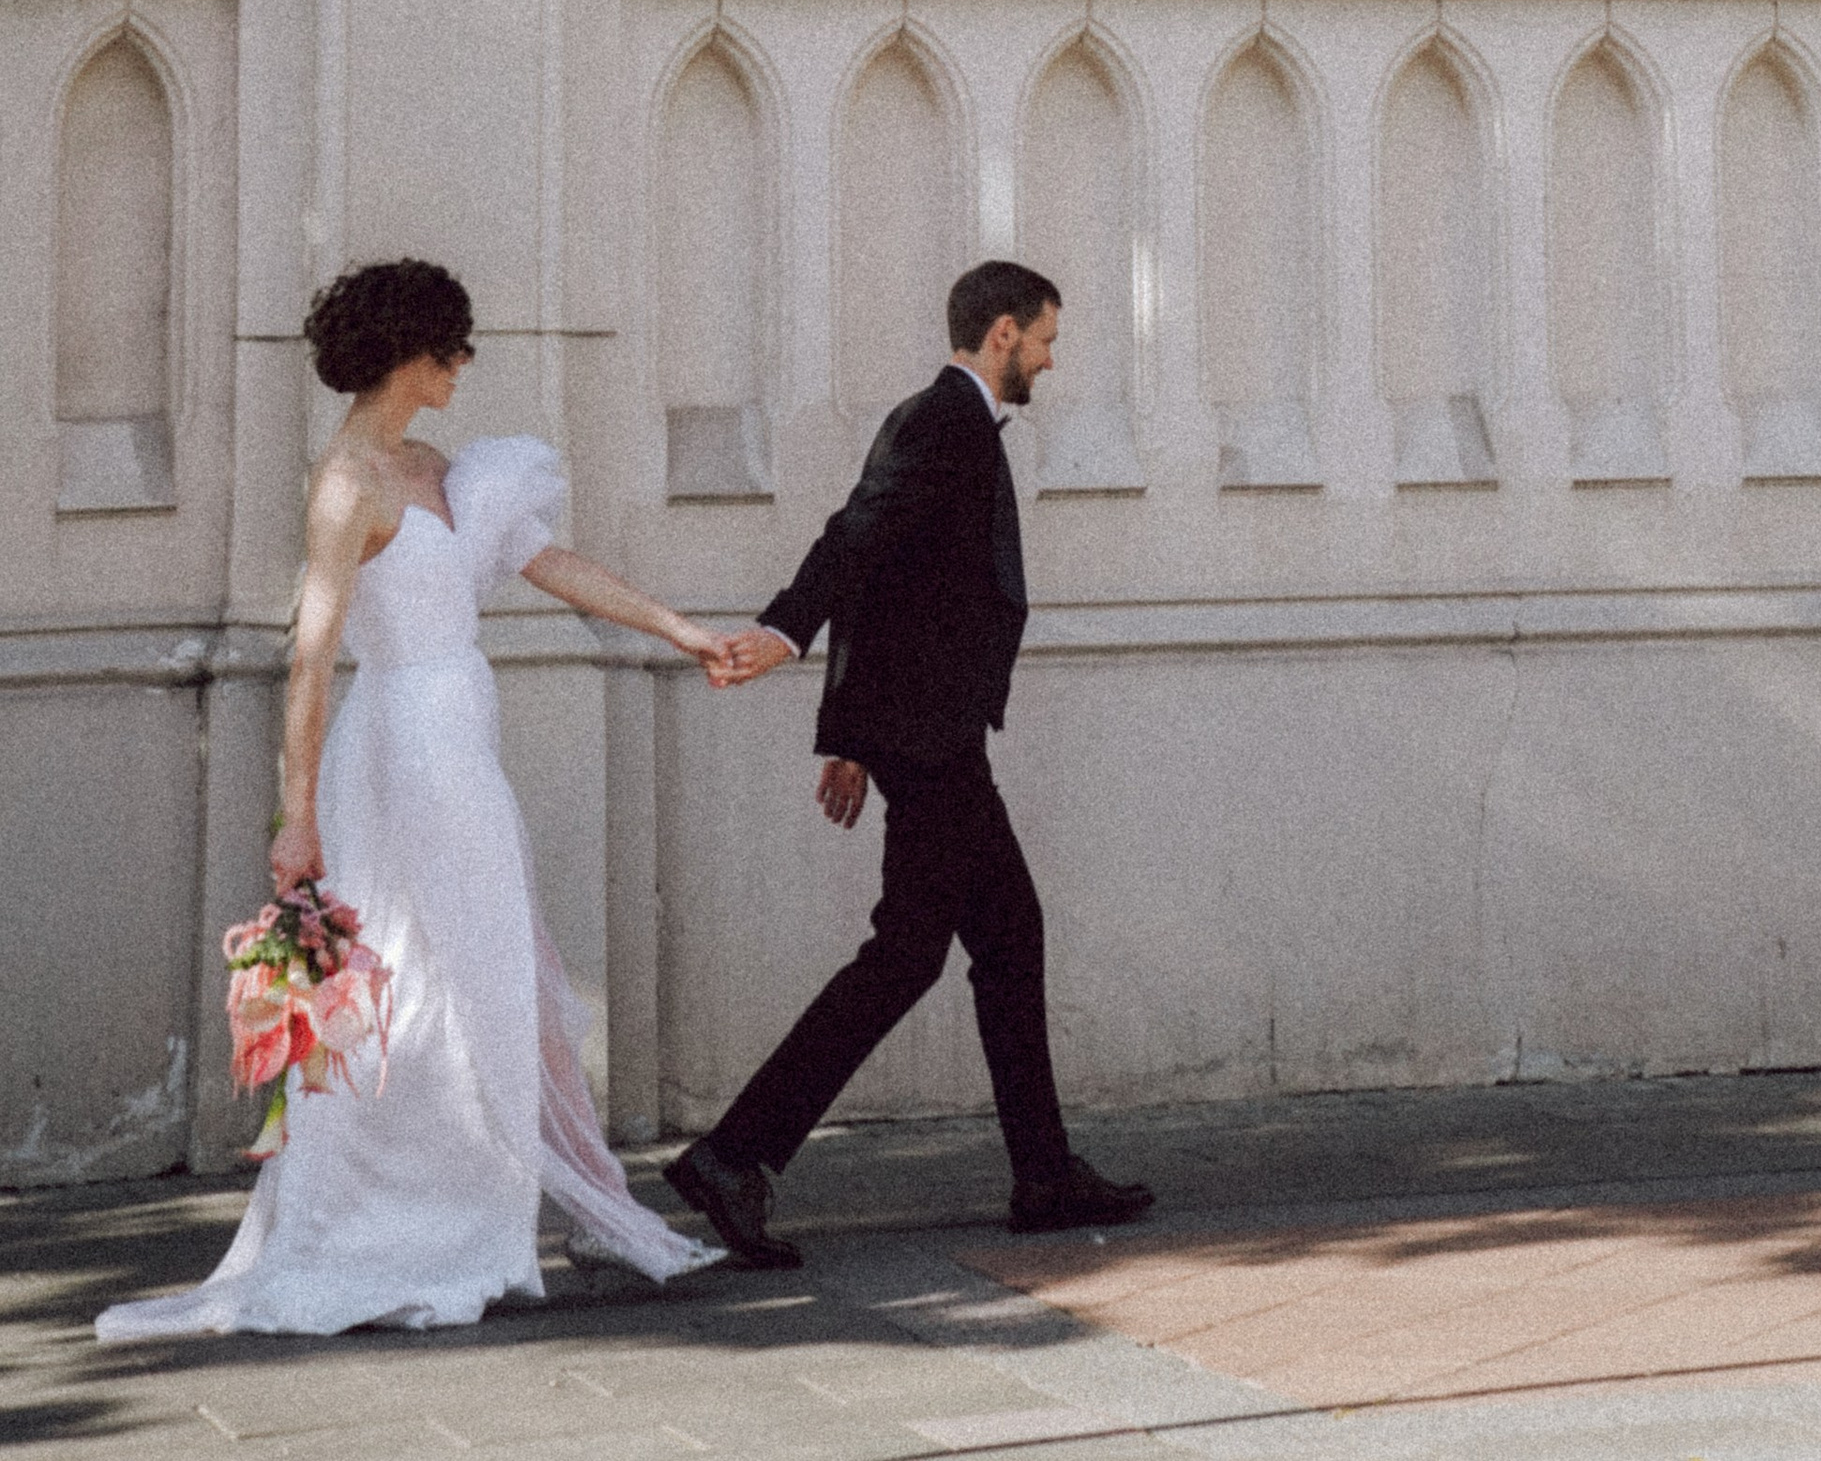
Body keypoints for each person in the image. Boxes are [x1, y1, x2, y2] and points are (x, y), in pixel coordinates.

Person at [98, 259, 728, 1338]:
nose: (464, 367)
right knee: (427, 970)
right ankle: (414, 1218)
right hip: (400, 745)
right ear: (413, 354)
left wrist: (684, 631)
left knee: (493, 966)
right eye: (454, 348)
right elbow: (311, 656)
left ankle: (537, 1203)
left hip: (459, 738)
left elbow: (552, 562)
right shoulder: (348, 481)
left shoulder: (439, 464)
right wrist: (296, 815)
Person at [664, 259, 1153, 1268]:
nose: (1053, 360)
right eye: (1048, 339)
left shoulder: (950, 424)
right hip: (930, 738)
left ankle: (1044, 1171)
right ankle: (734, 1155)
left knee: (1006, 934)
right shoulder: (940, 423)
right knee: (906, 953)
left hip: (929, 730)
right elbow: (856, 541)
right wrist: (784, 631)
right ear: (1004, 332)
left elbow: (886, 584)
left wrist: (846, 732)